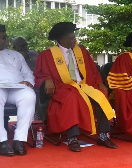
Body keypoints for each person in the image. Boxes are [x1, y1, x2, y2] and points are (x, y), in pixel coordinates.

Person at [34, 22, 117, 152]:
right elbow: (40, 74)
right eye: (72, 38)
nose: (75, 40)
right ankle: (72, 137)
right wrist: (47, 80)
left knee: (100, 95)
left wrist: (100, 82)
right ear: (62, 40)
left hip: (84, 86)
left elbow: (93, 71)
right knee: (71, 96)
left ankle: (103, 135)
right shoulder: (47, 55)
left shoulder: (82, 51)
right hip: (63, 87)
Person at [0, 24, 36, 156]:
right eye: (0, 38)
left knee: (29, 95)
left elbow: (27, 73)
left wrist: (29, 82)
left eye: (5, 37)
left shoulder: (16, 55)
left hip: (17, 87)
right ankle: (2, 141)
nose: (4, 41)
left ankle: (19, 139)